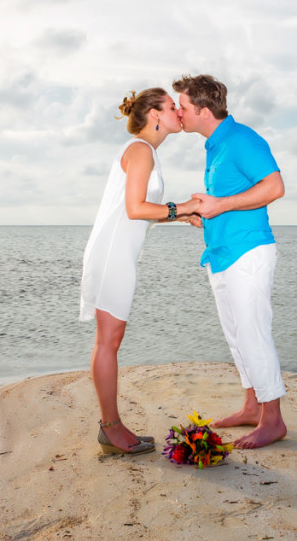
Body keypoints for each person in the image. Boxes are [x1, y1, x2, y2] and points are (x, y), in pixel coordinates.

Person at [80, 88, 200, 455]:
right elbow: (135, 209)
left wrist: (182, 217)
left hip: (118, 252)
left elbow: (136, 211)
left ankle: (111, 427)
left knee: (109, 341)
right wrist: (184, 206)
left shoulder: (145, 153)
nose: (180, 111)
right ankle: (111, 429)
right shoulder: (141, 150)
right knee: (109, 341)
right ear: (154, 114)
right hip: (113, 255)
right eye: (172, 107)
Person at [173, 74, 287, 449]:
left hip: (248, 252)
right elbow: (228, 200)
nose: (179, 112)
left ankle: (273, 420)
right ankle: (252, 407)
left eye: (183, 106)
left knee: (254, 333)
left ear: (204, 111)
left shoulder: (241, 140)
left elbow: (274, 187)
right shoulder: (215, 146)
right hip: (221, 254)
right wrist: (202, 215)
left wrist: (219, 205)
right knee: (237, 336)